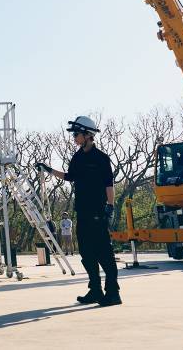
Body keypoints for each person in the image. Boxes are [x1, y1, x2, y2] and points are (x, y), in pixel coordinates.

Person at [36, 116, 120, 307]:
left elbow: (109, 185)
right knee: (86, 253)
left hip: (98, 211)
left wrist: (111, 207)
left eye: (77, 134)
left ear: (87, 135)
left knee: (104, 253)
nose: (74, 137)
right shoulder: (78, 157)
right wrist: (48, 170)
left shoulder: (101, 158)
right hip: (82, 212)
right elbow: (69, 177)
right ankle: (96, 290)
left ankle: (113, 293)